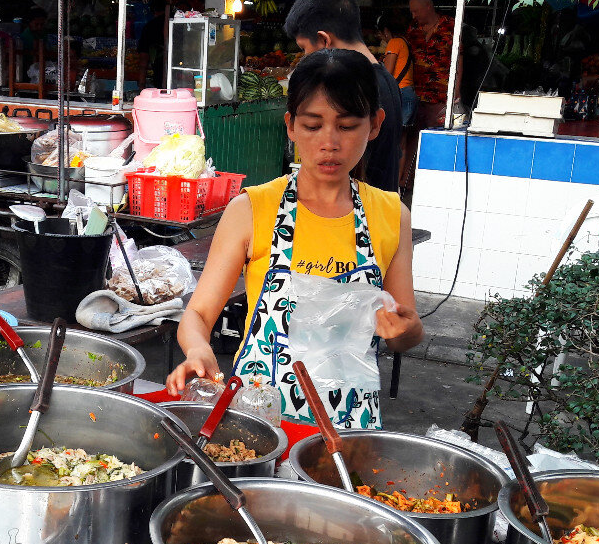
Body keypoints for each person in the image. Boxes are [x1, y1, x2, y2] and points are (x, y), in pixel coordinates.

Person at [166, 49, 423, 429]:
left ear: (375, 125)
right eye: (313, 124)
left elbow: (409, 331)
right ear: (290, 125)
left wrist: (402, 330)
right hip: (257, 421)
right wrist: (199, 349)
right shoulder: (252, 209)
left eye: (348, 125)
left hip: (348, 427)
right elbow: (199, 315)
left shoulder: (390, 214)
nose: (329, 143)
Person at [284, 0, 403, 194]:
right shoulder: (387, 80)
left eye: (304, 48)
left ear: (324, 42)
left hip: (359, 217)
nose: (329, 143)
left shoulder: (358, 88)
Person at [407, 0, 460, 127]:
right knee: (414, 135)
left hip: (441, 95)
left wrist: (456, 91)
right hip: (417, 95)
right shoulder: (413, 28)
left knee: (438, 133)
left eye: (416, 11)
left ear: (428, 6)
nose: (414, 15)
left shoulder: (450, 25)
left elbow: (459, 60)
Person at [378, 11, 416, 131]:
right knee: (402, 138)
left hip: (400, 93)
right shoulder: (405, 42)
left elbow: (387, 73)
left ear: (386, 30)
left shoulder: (394, 43)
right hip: (409, 93)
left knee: (393, 135)